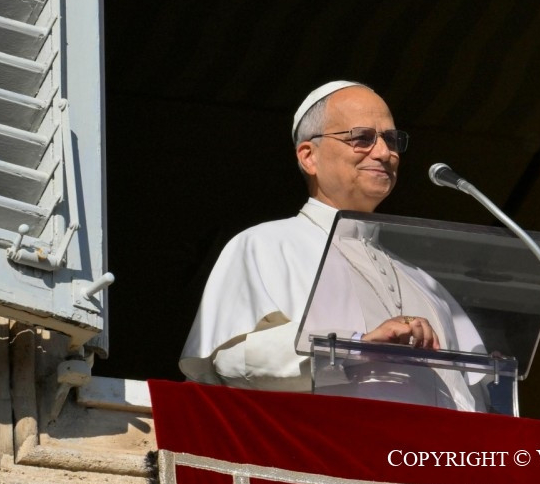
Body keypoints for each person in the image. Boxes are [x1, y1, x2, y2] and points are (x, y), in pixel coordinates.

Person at [179, 81, 486, 411]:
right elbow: (231, 360)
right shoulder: (265, 245)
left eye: (391, 139)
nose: (385, 153)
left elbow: (470, 397)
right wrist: (355, 347)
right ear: (309, 157)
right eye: (362, 138)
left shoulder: (424, 282)